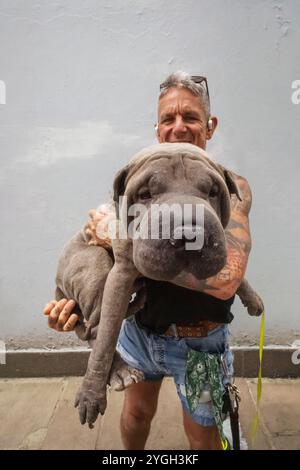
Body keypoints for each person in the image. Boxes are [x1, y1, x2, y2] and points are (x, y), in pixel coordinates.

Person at [43, 71, 251, 450]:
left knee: (202, 432)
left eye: (189, 117)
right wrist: (77, 309)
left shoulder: (230, 184)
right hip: (140, 332)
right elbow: (108, 262)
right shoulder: (142, 176)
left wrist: (122, 240)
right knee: (136, 416)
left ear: (210, 125)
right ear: (157, 129)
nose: (178, 127)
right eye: (168, 119)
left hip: (200, 341)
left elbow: (227, 277)